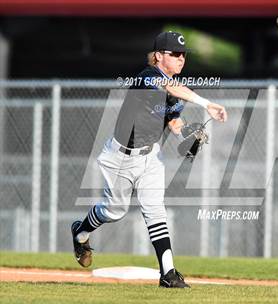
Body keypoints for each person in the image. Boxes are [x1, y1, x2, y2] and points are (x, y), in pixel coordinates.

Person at [71, 31, 227, 288]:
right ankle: (81, 231)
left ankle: (168, 274)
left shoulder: (175, 92)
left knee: (155, 209)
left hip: (151, 156)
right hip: (120, 157)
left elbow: (175, 124)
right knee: (114, 211)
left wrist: (188, 137)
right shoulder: (147, 77)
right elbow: (168, 86)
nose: (181, 58)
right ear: (157, 56)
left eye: (183, 54)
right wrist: (206, 103)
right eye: (174, 54)